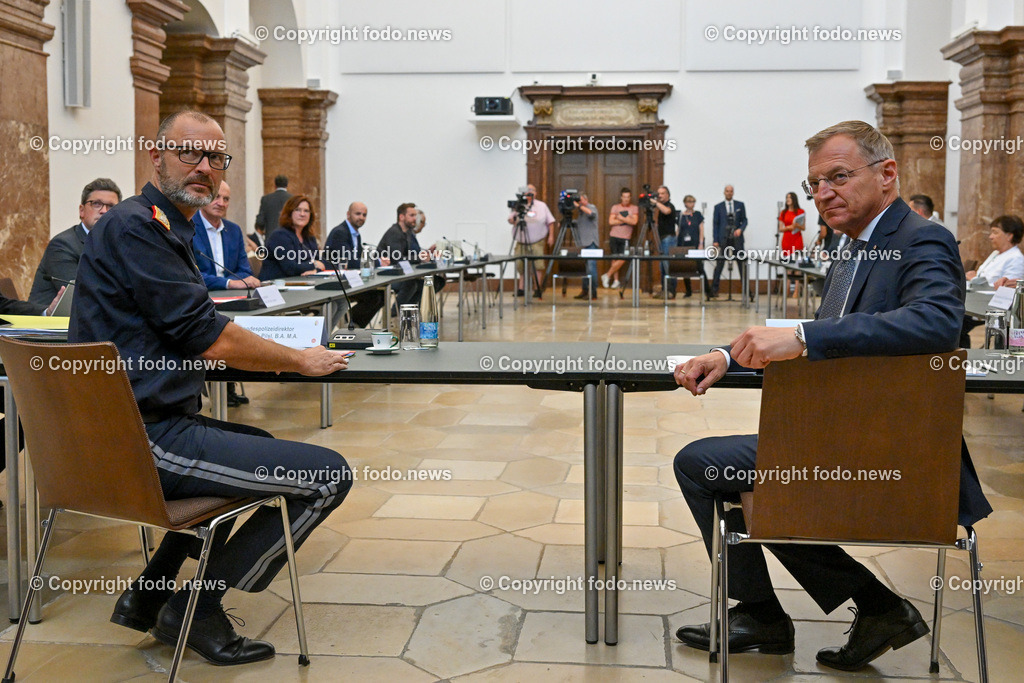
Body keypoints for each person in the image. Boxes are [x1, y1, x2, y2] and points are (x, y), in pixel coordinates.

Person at [671, 120, 991, 672]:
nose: (823, 193)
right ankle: (871, 607)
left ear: (887, 174)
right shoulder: (852, 250)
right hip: (842, 437)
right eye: (815, 183)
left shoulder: (921, 239)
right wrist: (726, 355)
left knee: (703, 465)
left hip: (896, 452)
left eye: (838, 177)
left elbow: (937, 322)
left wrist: (799, 336)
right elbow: (824, 342)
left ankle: (773, 617)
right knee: (738, 473)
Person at [69, 109, 352, 666]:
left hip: (130, 427)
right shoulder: (139, 227)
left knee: (263, 444)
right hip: (142, 439)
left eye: (215, 158)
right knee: (325, 476)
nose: (203, 167)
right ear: (157, 156)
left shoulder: (158, 222)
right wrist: (300, 360)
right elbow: (209, 337)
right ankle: (195, 608)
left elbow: (182, 322)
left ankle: (148, 593)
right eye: (189, 154)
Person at [28, 178, 122, 306]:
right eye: (96, 204)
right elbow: (81, 295)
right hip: (53, 323)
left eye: (111, 206)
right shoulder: (63, 245)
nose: (104, 211)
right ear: (81, 210)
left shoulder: (120, 244)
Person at [960, 215, 1024, 347]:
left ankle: (961, 361)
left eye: (995, 232)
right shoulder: (996, 253)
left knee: (957, 324)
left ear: (1009, 236)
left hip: (990, 306)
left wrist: (976, 279)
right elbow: (986, 275)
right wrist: (977, 276)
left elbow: (1006, 288)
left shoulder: (1016, 258)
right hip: (977, 299)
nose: (990, 236)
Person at [323, 202, 385, 327]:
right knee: (375, 297)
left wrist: (375, 260)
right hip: (335, 282)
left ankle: (353, 325)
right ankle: (351, 326)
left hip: (349, 280)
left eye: (364, 215)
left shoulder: (356, 234)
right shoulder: (340, 232)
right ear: (348, 214)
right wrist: (378, 262)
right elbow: (349, 262)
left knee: (379, 295)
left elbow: (359, 259)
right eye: (358, 213)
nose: (361, 217)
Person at [258, 195, 324, 280]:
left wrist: (316, 271)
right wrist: (314, 264)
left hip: (302, 284)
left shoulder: (309, 237)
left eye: (306, 211)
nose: (302, 214)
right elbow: (290, 268)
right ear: (289, 213)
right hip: (276, 286)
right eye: (297, 210)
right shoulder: (279, 236)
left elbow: (322, 263)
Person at [507, 184, 555, 297]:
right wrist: (513, 217)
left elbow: (551, 222)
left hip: (537, 241)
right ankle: (521, 289)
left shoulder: (542, 206)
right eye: (528, 190)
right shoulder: (519, 205)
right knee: (520, 265)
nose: (530, 192)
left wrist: (551, 236)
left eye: (532, 190)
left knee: (538, 265)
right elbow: (510, 220)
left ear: (536, 193)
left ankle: (537, 288)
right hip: (521, 241)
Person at [378, 202, 424, 307]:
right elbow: (397, 259)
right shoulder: (394, 232)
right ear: (401, 217)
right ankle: (394, 314)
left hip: (399, 273)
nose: (415, 219)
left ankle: (405, 313)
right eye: (412, 215)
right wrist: (419, 258)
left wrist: (423, 256)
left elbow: (409, 255)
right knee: (411, 284)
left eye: (415, 216)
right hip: (386, 275)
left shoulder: (407, 233)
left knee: (423, 284)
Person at [711, 185, 748, 298]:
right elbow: (716, 224)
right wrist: (715, 240)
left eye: (731, 191)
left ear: (733, 193)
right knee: (720, 264)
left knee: (741, 264)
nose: (729, 193)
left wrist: (740, 230)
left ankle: (746, 290)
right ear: (724, 192)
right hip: (723, 239)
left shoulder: (740, 205)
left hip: (737, 239)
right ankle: (714, 290)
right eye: (727, 191)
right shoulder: (718, 207)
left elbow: (745, 220)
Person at [600, 188, 638, 289]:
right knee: (614, 258)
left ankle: (607, 275)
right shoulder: (615, 207)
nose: (626, 199)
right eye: (624, 197)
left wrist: (620, 218)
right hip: (614, 235)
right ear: (621, 197)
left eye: (628, 197)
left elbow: (634, 222)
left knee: (623, 258)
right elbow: (611, 222)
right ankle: (616, 281)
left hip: (626, 237)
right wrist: (626, 220)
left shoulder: (634, 208)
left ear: (630, 197)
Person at [676, 195, 710, 298]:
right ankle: (688, 290)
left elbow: (701, 228)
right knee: (685, 268)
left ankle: (708, 291)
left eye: (693, 202)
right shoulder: (681, 215)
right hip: (683, 244)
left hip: (695, 244)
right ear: (685, 203)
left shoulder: (698, 215)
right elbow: (678, 229)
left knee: (700, 268)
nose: (692, 204)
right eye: (690, 202)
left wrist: (701, 243)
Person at [651, 186, 678, 299]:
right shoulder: (661, 207)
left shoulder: (669, 206)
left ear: (668, 195)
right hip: (662, 239)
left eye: (662, 193)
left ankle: (671, 291)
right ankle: (664, 290)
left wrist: (655, 203)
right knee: (662, 266)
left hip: (669, 239)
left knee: (668, 265)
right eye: (659, 193)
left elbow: (667, 211)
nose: (660, 195)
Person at [573, 194, 600, 299]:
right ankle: (584, 290)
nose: (579, 202)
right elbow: (580, 224)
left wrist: (579, 206)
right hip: (583, 244)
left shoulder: (591, 207)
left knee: (591, 267)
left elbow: (592, 214)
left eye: (581, 200)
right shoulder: (581, 213)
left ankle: (593, 292)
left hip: (591, 243)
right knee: (584, 268)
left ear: (586, 199)